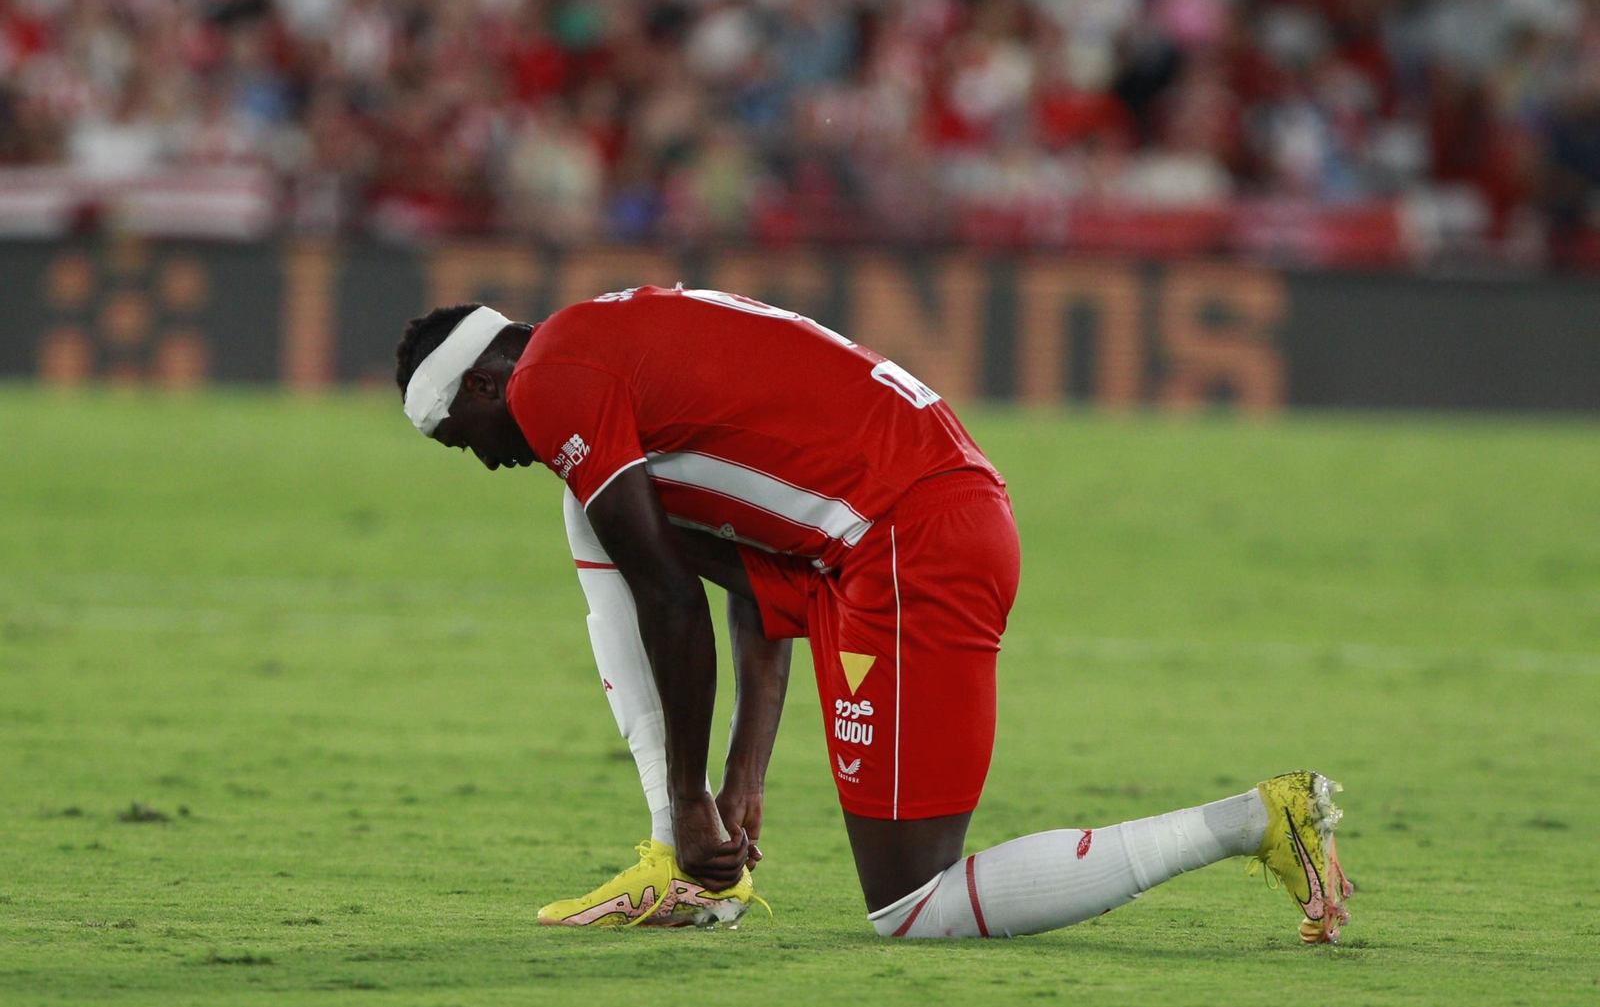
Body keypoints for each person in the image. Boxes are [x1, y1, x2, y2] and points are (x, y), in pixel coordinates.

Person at [392, 287, 1353, 940]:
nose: (479, 459)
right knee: (597, 516)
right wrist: (739, 783)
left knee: (911, 906)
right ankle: (680, 867)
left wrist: (692, 800)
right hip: (893, 527)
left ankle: (1253, 822)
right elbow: (754, 588)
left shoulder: (548, 378)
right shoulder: (606, 337)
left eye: (458, 437)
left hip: (908, 538)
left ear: (483, 385)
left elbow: (672, 605)